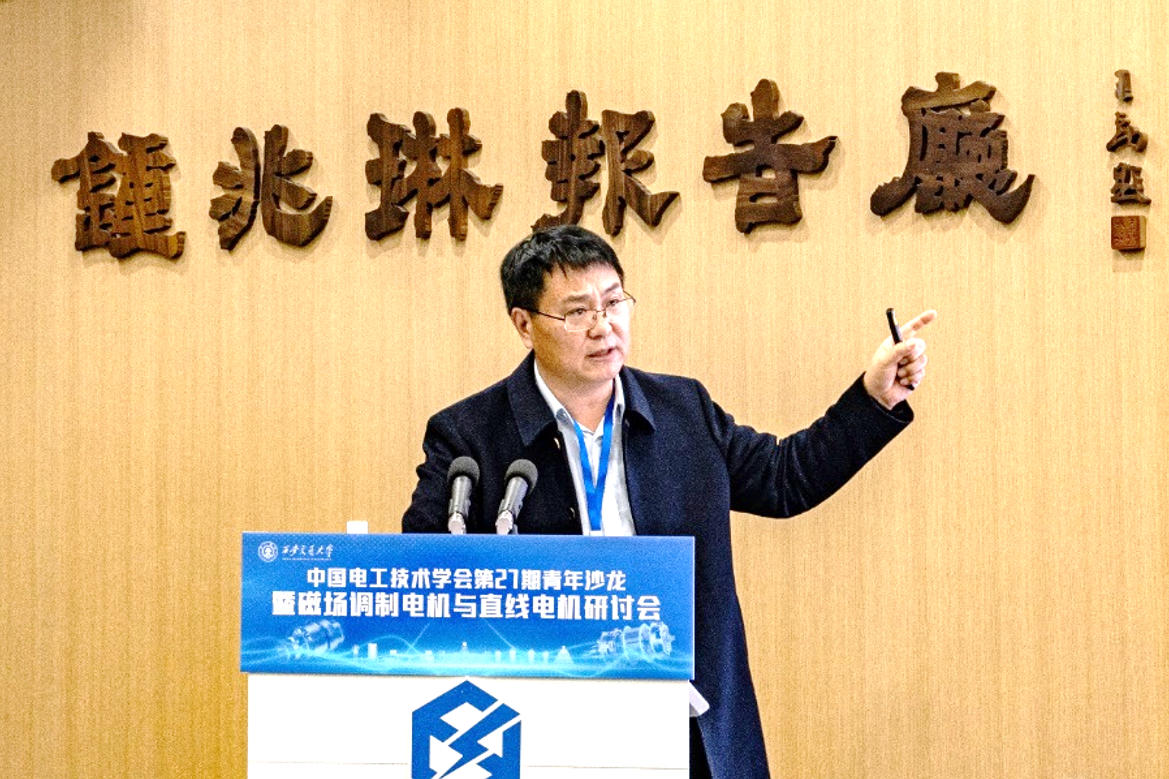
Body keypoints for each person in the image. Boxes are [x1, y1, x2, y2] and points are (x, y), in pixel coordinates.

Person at [402, 225, 935, 778]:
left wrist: (874, 397)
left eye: (614, 303)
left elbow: (785, 478)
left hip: (682, 720)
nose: (604, 327)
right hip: (542, 725)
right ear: (524, 323)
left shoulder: (683, 409)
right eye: (578, 312)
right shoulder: (469, 435)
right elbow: (423, 574)